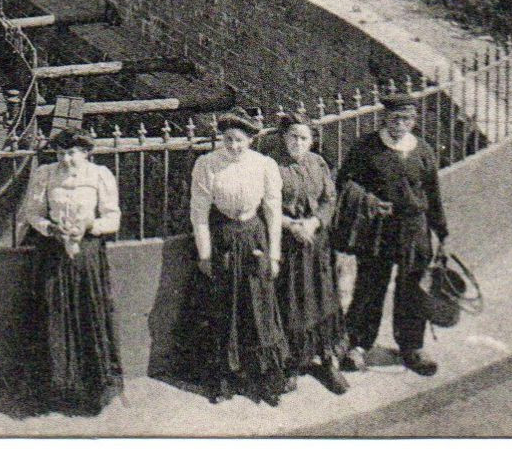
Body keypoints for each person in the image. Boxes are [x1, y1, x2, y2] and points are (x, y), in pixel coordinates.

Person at [337, 98, 449, 378]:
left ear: (414, 121)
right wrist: (369, 201)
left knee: (413, 289)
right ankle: (358, 346)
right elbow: (345, 182)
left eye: (406, 119)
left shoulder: (422, 150)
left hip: (414, 229)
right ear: (384, 119)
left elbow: (432, 193)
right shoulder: (367, 148)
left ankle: (412, 347)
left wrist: (441, 231)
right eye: (394, 119)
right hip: (378, 228)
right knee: (370, 286)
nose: (399, 125)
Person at [16, 130, 125, 415]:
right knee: (53, 312)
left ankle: (90, 390)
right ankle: (55, 389)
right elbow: (32, 212)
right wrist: (50, 228)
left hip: (87, 254)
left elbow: (112, 217)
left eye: (72, 153)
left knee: (89, 313)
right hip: (53, 253)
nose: (66, 159)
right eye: (61, 153)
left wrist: (90, 226)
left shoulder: (100, 175)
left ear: (86, 153)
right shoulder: (45, 174)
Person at [187, 110, 291, 406]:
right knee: (224, 307)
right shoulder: (207, 165)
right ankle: (223, 379)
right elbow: (199, 212)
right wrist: (205, 254)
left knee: (259, 307)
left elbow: (273, 210)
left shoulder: (264, 165)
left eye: (240, 141)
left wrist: (275, 254)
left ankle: (264, 379)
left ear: (250, 140)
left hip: (254, 237)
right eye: (229, 140)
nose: (233, 146)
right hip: (224, 240)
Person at [272, 116, 349, 395]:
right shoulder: (274, 167)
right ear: (284, 138)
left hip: (317, 243)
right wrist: (291, 226)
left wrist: (314, 222)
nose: (298, 143)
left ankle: (329, 361)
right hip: (290, 245)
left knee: (323, 297)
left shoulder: (318, 163)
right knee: (293, 300)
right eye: (293, 137)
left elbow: (330, 198)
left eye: (304, 138)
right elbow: (265, 205)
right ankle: (292, 363)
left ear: (312, 141)